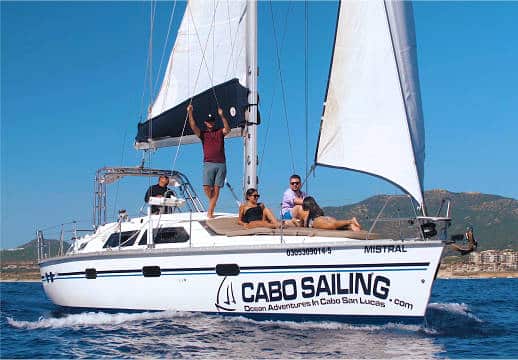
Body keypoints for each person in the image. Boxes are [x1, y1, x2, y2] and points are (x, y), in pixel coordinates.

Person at [187, 104, 231, 218]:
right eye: (208, 121)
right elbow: (193, 126)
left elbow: (228, 129)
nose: (210, 123)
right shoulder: (203, 134)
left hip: (221, 164)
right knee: (206, 187)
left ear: (214, 122)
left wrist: (222, 116)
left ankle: (210, 211)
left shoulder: (220, 132)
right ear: (205, 123)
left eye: (212, 121)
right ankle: (213, 203)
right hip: (208, 163)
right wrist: (190, 112)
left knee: (216, 188)